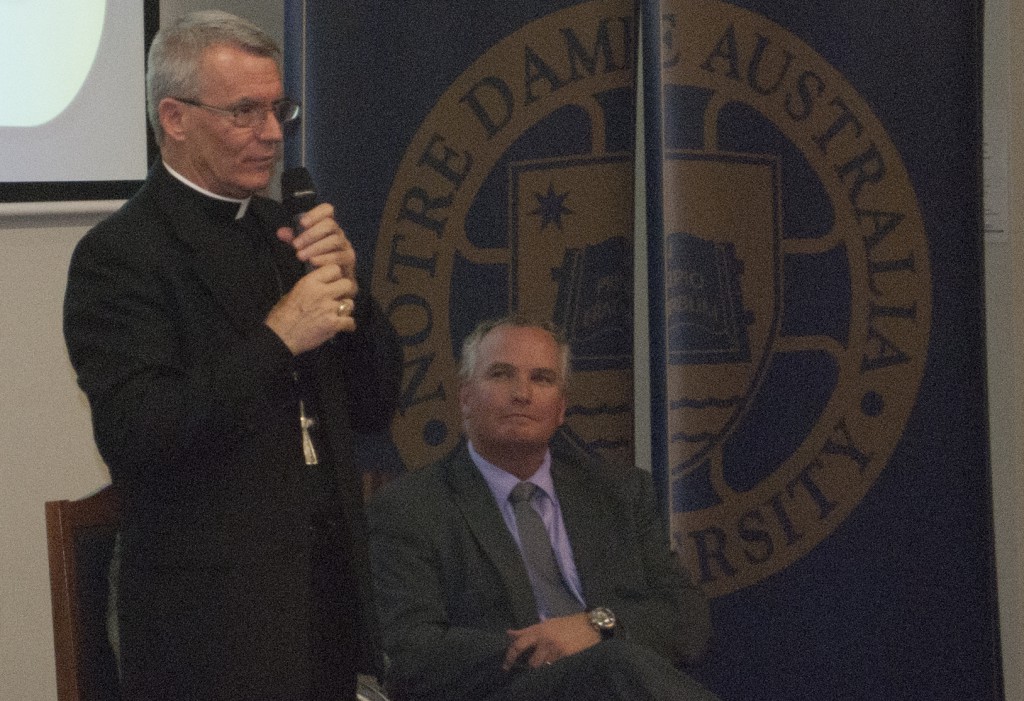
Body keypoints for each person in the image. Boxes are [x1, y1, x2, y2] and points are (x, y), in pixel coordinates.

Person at [62, 11, 401, 701]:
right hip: (211, 626)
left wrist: (355, 299)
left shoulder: (287, 233)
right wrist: (278, 338)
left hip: (328, 602)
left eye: (278, 109)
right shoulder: (121, 257)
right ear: (175, 118)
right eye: (245, 112)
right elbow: (139, 431)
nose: (273, 134)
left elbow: (374, 404)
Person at [367, 317, 719, 701]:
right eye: (501, 375)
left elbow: (686, 617)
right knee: (613, 665)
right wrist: (544, 647)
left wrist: (595, 627)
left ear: (562, 408)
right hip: (505, 688)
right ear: (465, 396)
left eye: (542, 379)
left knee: (615, 663)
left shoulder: (618, 492)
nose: (522, 394)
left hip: (617, 683)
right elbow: (410, 652)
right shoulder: (410, 507)